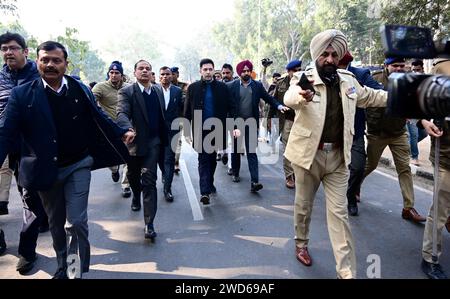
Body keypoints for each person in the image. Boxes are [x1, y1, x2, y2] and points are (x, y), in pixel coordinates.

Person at [0, 41, 133, 279]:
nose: (50, 64)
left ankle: (73, 270)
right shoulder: (22, 95)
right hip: (45, 170)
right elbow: (6, 133)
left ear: (65, 64)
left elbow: (98, 115)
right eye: (45, 60)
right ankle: (63, 263)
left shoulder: (79, 89)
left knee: (76, 222)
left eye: (56, 60)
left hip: (78, 165)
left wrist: (120, 131)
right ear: (38, 62)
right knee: (56, 223)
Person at [284, 29, 388, 279]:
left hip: (338, 159)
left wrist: (405, 97)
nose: (330, 59)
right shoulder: (303, 79)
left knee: (339, 215)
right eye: (324, 55)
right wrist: (302, 96)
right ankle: (301, 244)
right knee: (303, 207)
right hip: (309, 157)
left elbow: (372, 96)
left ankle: (346, 272)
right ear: (317, 55)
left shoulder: (348, 80)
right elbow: (290, 98)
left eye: (334, 54)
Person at [0, 32, 49, 275]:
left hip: (32, 148)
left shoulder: (39, 74)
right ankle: (15, 244)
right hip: (4, 144)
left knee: (33, 198)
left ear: (25, 51)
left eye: (12, 48)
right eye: (4, 49)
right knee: (17, 197)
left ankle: (27, 250)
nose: (8, 52)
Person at [365, 57, 426, 223]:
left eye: (402, 65)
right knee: (369, 165)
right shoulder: (374, 78)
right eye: (395, 65)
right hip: (377, 132)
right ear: (386, 66)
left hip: (399, 132)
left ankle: (408, 207)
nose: (399, 68)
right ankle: (353, 188)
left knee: (404, 168)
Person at [117, 60, 168, 241]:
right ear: (135, 72)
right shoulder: (127, 92)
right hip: (134, 144)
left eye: (148, 68)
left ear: (151, 72)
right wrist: (127, 129)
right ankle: (135, 195)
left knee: (149, 180)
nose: (145, 71)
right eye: (141, 68)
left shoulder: (157, 91)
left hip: (153, 143)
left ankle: (149, 223)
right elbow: (121, 113)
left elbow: (161, 116)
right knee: (133, 176)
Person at [227, 60, 289, 192]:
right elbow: (227, 106)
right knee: (237, 150)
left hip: (251, 123)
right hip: (236, 123)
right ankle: (236, 173)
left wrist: (278, 105)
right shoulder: (231, 86)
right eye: (243, 71)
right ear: (239, 72)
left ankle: (254, 181)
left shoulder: (257, 86)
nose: (246, 73)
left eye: (248, 70)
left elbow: (268, 98)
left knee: (251, 152)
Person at [184, 58, 239, 205]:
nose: (208, 72)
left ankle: (210, 182)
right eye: (205, 70)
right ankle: (205, 192)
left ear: (214, 70)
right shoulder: (193, 88)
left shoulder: (223, 88)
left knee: (212, 159)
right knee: (203, 160)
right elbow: (187, 110)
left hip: (217, 129)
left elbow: (232, 108)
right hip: (200, 129)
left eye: (210, 69)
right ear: (200, 71)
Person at [337, 51, 383, 216]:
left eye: (342, 64)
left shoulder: (360, 75)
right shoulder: (323, 73)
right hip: (331, 134)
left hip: (354, 132)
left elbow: (378, 91)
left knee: (357, 167)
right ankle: (336, 198)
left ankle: (350, 196)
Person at [419, 57, 450, 279]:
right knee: (439, 209)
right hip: (447, 155)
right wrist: (424, 121)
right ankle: (430, 258)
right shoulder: (443, 67)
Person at [92, 61, 132, 198]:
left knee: (129, 156)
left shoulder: (128, 88)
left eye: (117, 73)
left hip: (126, 127)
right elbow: (91, 100)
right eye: (111, 73)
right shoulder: (100, 87)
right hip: (109, 128)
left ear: (122, 75)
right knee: (112, 156)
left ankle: (126, 185)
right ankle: (114, 169)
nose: (114, 75)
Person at [156, 67, 183, 202]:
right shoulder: (153, 90)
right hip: (156, 131)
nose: (165, 76)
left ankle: (167, 189)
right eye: (163, 74)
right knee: (160, 159)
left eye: (168, 74)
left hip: (173, 130)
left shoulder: (177, 91)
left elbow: (182, 108)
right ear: (159, 76)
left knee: (169, 159)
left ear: (172, 76)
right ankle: (164, 174)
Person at [273, 60, 302, 189]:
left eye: (299, 69)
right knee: (288, 149)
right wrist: (268, 119)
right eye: (295, 70)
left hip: (302, 120)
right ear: (289, 71)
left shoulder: (306, 82)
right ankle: (289, 175)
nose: (297, 72)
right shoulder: (280, 83)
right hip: (287, 121)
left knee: (300, 149)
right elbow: (272, 101)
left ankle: (298, 174)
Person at [171, 66, 189, 174]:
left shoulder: (183, 86)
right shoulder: (162, 86)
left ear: (177, 75)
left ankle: (176, 162)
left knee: (177, 141)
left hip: (179, 117)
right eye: (170, 74)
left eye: (174, 74)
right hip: (165, 119)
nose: (171, 76)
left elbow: (185, 100)